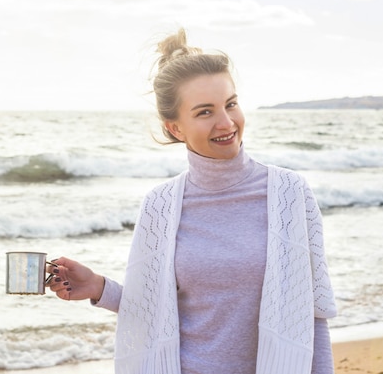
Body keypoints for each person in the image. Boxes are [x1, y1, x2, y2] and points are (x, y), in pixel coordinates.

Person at [47, 28, 337, 374]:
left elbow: (312, 315)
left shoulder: (290, 193)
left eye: (231, 104)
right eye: (205, 112)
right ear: (175, 128)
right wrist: (98, 287)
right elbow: (152, 309)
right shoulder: (161, 205)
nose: (227, 123)